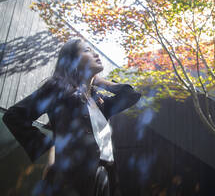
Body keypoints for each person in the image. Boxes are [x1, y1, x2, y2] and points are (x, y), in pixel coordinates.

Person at [2, 39, 141, 196]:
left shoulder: (99, 100)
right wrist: (48, 147)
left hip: (104, 179)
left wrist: (102, 82)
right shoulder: (57, 89)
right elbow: (14, 116)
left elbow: (131, 95)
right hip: (70, 181)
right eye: (87, 50)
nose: (95, 54)